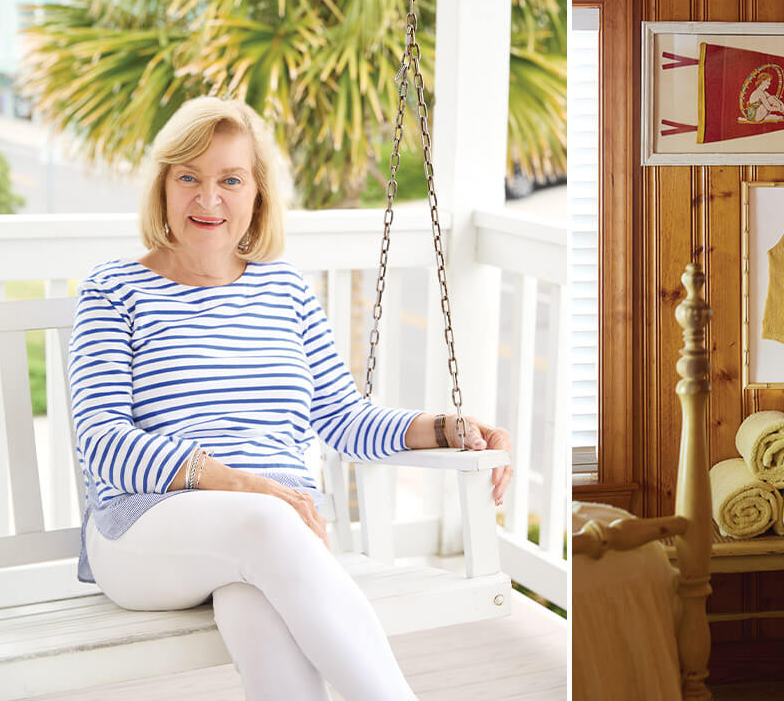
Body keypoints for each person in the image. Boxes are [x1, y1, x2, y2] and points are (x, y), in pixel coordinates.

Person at [67, 96, 513, 701]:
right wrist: (240, 484)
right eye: (188, 178)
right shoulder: (114, 291)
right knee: (269, 526)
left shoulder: (286, 290)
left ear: (257, 194)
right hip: (143, 532)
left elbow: (342, 417)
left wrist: (446, 427)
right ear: (163, 186)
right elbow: (102, 442)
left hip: (270, 539)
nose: (208, 198)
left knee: (262, 619)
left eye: (230, 179)